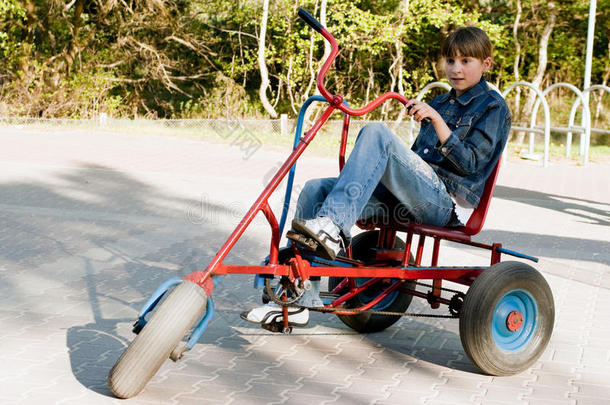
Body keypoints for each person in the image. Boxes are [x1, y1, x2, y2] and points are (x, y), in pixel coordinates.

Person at [241, 26, 512, 327]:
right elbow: (413, 163)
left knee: (377, 132)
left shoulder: (493, 107)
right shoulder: (440, 102)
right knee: (315, 189)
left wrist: (435, 121)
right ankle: (302, 300)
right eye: (450, 61)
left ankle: (332, 227)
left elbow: (472, 164)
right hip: (409, 196)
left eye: (466, 61)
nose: (456, 68)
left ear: (485, 64)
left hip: (442, 203)